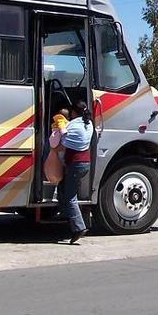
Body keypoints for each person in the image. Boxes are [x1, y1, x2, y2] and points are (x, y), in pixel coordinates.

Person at [60, 100, 94, 243]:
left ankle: (79, 227)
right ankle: (68, 216)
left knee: (70, 197)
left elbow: (63, 141)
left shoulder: (74, 125)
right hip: (85, 163)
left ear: (74, 112)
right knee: (63, 188)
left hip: (75, 164)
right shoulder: (89, 124)